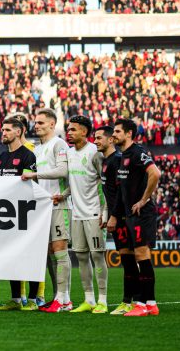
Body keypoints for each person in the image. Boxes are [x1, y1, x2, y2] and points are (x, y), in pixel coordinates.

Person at [22, 108, 72, 312]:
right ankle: (59, 296)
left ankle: (64, 299)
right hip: (44, 208)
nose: (37, 126)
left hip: (59, 205)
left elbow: (63, 171)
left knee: (60, 251)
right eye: (35, 122)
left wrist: (35, 175)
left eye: (41, 122)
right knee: (51, 254)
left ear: (52, 124)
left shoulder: (59, 144)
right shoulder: (37, 149)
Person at [113, 119, 162, 317]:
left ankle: (142, 304)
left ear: (129, 134)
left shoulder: (137, 152)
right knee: (139, 256)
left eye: (118, 131)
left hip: (142, 213)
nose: (114, 134)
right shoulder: (124, 156)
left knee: (142, 255)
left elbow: (155, 173)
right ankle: (150, 304)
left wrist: (143, 199)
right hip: (131, 214)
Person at [0, 112, 40, 311]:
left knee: (30, 256)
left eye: (7, 130)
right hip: (7, 214)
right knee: (11, 256)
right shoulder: (2, 157)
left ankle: (32, 299)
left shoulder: (28, 155)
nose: (3, 133)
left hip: (25, 213)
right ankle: (15, 299)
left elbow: (32, 184)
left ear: (18, 132)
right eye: (2, 129)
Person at [64, 115, 107, 314]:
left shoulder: (95, 153)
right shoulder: (69, 153)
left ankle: (102, 300)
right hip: (76, 214)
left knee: (97, 255)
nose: (69, 133)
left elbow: (106, 184)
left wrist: (105, 212)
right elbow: (74, 183)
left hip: (94, 213)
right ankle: (89, 299)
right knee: (81, 256)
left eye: (73, 129)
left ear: (84, 131)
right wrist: (63, 195)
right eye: (68, 129)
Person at [96, 123, 133, 315]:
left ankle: (129, 302)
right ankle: (133, 301)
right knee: (127, 259)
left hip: (123, 217)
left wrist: (114, 216)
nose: (95, 141)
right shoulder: (106, 160)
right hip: (116, 215)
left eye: (99, 138)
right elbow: (108, 194)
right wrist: (105, 214)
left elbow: (121, 192)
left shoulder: (117, 160)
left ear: (110, 139)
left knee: (129, 259)